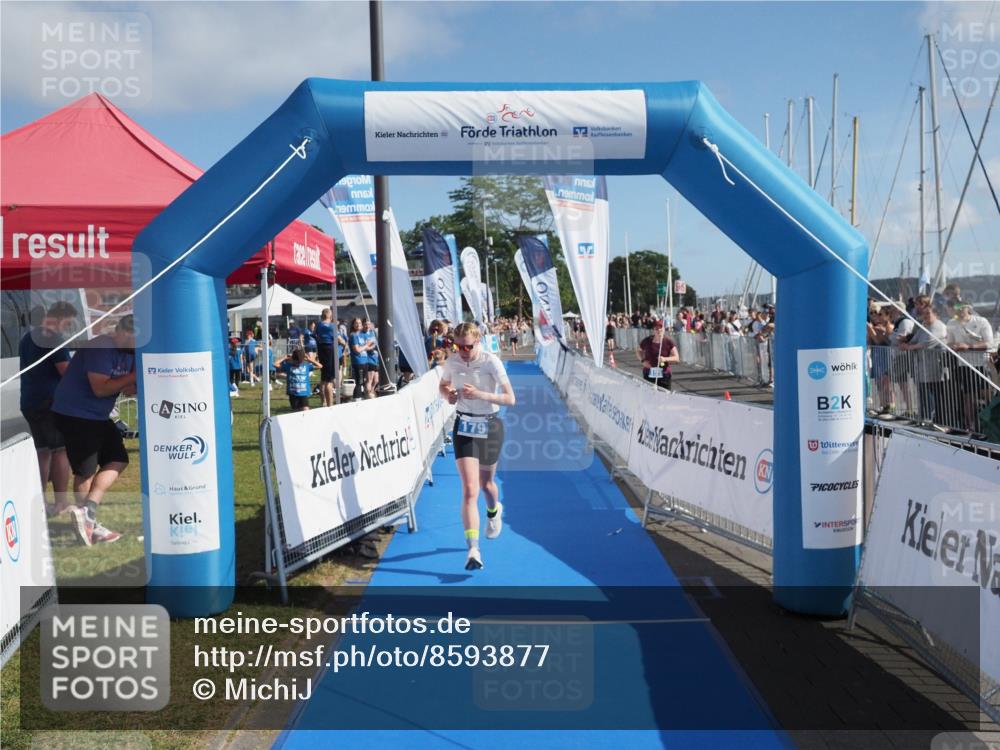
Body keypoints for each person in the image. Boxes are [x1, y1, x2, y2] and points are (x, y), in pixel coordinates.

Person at [51, 315, 137, 546]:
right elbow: (100, 389)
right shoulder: (101, 347)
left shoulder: (130, 352)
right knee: (85, 472)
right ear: (121, 332)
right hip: (75, 413)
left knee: (118, 459)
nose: (136, 345)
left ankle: (87, 513)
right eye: (134, 339)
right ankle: (87, 525)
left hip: (97, 415)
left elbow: (129, 389)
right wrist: (132, 377)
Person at [438, 322, 516, 570]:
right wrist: (449, 395)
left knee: (486, 485)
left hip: (490, 425)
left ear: (478, 342)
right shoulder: (452, 362)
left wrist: (481, 395)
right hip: (464, 426)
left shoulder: (491, 361)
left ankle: (494, 511)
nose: (463, 351)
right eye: (458, 346)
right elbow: (443, 386)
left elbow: (510, 399)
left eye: (468, 347)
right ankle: (473, 549)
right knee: (470, 489)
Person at [19, 301, 79, 516]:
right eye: (67, 324)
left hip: (29, 401)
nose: (66, 328)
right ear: (59, 318)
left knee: (43, 452)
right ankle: (61, 502)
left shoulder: (28, 338)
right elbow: (66, 371)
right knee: (61, 450)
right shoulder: (53, 338)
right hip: (50, 403)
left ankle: (40, 501)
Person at [635, 320, 679, 390]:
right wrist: (642, 361)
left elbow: (676, 358)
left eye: (660, 328)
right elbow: (638, 351)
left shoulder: (668, 342)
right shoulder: (647, 340)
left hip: (664, 374)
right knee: (649, 394)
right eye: (656, 329)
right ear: (653, 330)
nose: (659, 330)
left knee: (664, 395)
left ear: (664, 329)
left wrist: (665, 359)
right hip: (649, 373)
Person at [275, 348, 321, 412]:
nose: (298, 363)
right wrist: (284, 358)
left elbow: (320, 366)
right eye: (296, 361)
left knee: (306, 410)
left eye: (300, 361)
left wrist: (310, 359)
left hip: (303, 393)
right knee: (296, 411)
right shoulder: (288, 366)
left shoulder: (306, 366)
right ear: (292, 359)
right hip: (293, 394)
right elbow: (275, 364)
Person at [314, 308, 338, 407]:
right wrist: (344, 343)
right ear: (329, 316)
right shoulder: (332, 326)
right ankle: (330, 405)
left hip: (321, 350)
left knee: (323, 378)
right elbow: (337, 338)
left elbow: (315, 335)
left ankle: (323, 402)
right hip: (329, 350)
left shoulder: (319, 325)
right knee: (329, 380)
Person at [348, 318, 369, 399]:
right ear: (353, 325)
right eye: (356, 323)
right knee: (359, 382)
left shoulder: (361, 335)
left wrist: (368, 345)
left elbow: (366, 347)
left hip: (365, 361)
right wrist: (366, 345)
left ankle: (360, 397)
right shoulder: (353, 335)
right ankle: (357, 399)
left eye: (360, 323)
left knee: (363, 381)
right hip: (358, 362)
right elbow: (357, 350)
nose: (358, 324)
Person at [364, 319, 379, 397]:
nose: (367, 326)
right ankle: (368, 395)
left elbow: (375, 343)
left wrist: (374, 345)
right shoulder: (363, 334)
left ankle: (371, 392)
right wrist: (372, 346)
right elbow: (366, 347)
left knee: (376, 380)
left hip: (375, 359)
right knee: (369, 380)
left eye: (369, 324)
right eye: (366, 324)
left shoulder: (372, 333)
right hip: (368, 359)